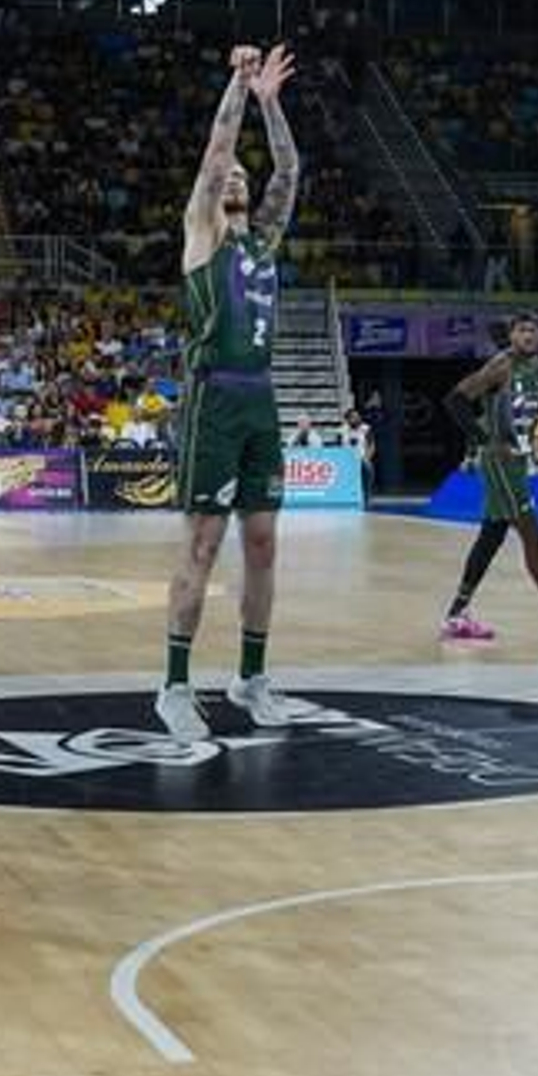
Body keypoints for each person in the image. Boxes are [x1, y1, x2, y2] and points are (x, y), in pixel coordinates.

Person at [156, 45, 317, 742]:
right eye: (229, 178)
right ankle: (173, 685)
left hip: (261, 400)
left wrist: (272, 103)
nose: (237, 180)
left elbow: (289, 168)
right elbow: (219, 152)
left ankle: (250, 677)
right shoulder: (203, 237)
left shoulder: (265, 243)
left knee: (262, 543)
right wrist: (236, 84)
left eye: (242, 179)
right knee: (202, 544)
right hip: (214, 400)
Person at [439, 314, 538, 644]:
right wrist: (485, 441)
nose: (529, 335)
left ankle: (456, 615)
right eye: (522, 330)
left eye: (534, 330)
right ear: (511, 335)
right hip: (499, 462)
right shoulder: (501, 365)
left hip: (517, 461)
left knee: (491, 536)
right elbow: (455, 400)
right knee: (533, 535)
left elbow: (519, 415)